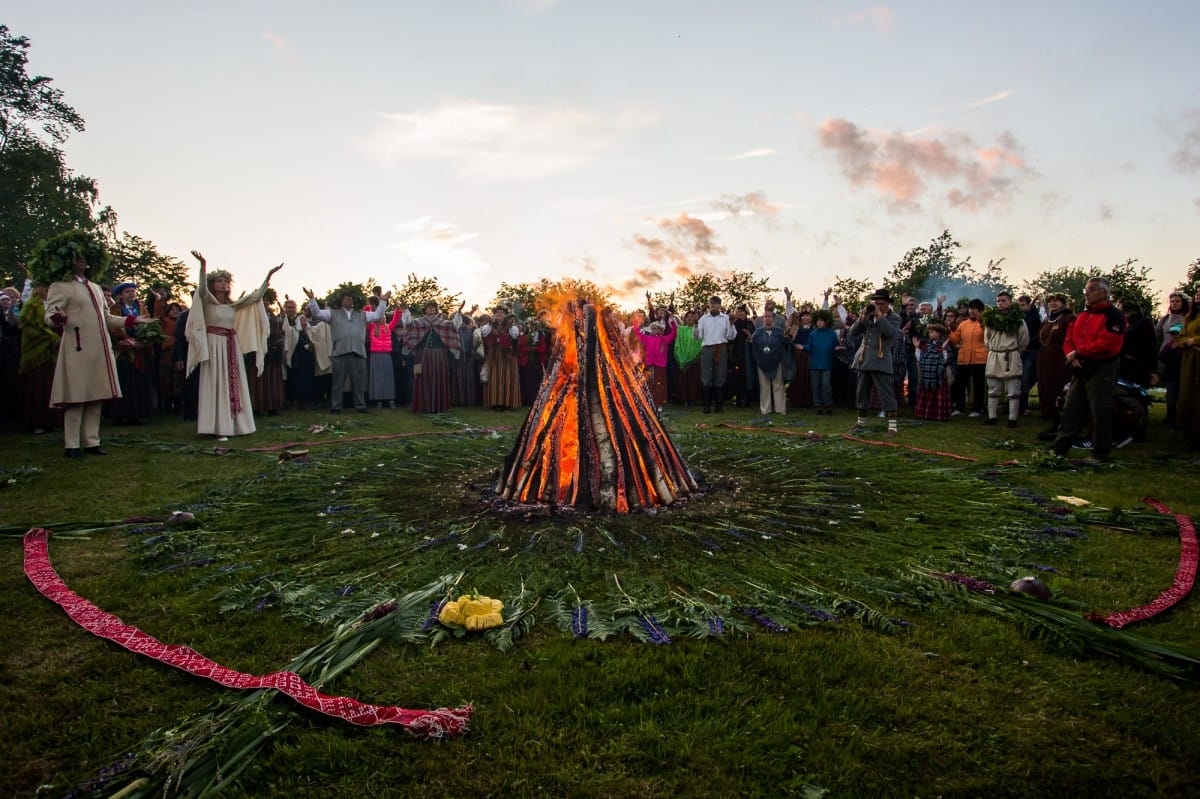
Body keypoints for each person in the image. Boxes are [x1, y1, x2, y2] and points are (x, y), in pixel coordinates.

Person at [42, 247, 153, 457]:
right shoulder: (61, 286)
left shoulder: (95, 287)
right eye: (78, 257)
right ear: (69, 260)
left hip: (99, 347)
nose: (83, 260)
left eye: (85, 257)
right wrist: (58, 318)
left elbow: (108, 318)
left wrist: (134, 319)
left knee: (96, 396)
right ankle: (72, 444)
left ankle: (92, 441)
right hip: (77, 346)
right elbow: (49, 315)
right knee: (77, 396)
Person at [186, 250, 282, 437]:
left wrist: (268, 276)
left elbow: (255, 297)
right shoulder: (208, 302)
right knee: (216, 382)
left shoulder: (233, 305)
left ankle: (236, 425)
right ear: (213, 284)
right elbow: (202, 289)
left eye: (225, 281)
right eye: (219, 281)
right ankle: (214, 426)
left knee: (234, 382)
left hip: (231, 345)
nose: (223, 284)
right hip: (214, 345)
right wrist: (203, 266)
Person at [1051, 278, 1127, 462]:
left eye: (1091, 290)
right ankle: (1059, 449)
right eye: (1086, 290)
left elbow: (1109, 342)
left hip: (1101, 367)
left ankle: (1099, 453)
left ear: (1103, 292)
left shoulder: (1114, 315)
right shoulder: (1083, 316)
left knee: (1100, 410)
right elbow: (1070, 337)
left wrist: (1080, 352)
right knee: (1071, 409)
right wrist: (1072, 354)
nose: (1086, 293)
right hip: (1079, 367)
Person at [304, 287, 388, 414]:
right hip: (340, 352)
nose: (348, 301)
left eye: (350, 299)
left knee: (359, 383)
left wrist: (382, 301)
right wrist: (312, 299)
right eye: (346, 299)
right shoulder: (332, 313)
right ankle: (336, 407)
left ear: (354, 301)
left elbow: (377, 315)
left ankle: (360, 406)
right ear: (341, 300)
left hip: (358, 353)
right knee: (338, 383)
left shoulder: (362, 314)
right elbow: (317, 314)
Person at [849, 289, 901, 435]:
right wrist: (863, 316)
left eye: (881, 304)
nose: (877, 306)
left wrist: (879, 316)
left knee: (886, 393)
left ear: (888, 304)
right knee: (861, 392)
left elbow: (890, 333)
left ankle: (892, 426)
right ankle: (860, 422)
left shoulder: (894, 317)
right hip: (864, 358)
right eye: (875, 303)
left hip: (881, 359)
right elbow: (853, 332)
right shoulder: (868, 317)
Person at [402, 300, 463, 413]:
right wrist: (405, 310)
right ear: (424, 309)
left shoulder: (442, 323)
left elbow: (455, 326)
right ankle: (423, 405)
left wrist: (458, 313)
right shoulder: (418, 322)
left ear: (436, 309)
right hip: (423, 354)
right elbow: (408, 324)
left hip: (439, 354)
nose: (430, 309)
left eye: (433, 307)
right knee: (423, 378)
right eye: (428, 307)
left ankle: (439, 406)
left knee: (439, 377)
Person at [982, 291, 1029, 427]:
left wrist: (1014, 351)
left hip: (1011, 355)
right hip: (994, 355)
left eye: (1003, 300)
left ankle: (1012, 419)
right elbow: (987, 339)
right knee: (993, 388)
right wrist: (995, 350)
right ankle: (992, 418)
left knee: (1013, 390)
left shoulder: (1018, 320)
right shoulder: (991, 319)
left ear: (1010, 302)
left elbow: (1024, 339)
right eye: (998, 301)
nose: (1000, 303)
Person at [1035, 294, 1074, 438]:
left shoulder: (1069, 318)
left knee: (1060, 388)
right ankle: (1053, 421)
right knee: (1046, 388)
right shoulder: (1047, 320)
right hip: (1045, 358)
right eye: (1050, 301)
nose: (1053, 303)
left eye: (1056, 301)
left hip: (1060, 358)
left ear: (1063, 303)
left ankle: (1065, 424)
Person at [693, 296, 736, 413]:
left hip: (721, 348)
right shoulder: (703, 319)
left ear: (720, 305)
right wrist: (696, 325)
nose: (713, 305)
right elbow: (697, 337)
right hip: (707, 348)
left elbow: (731, 336)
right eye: (711, 303)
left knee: (720, 376)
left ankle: (719, 405)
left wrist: (732, 324)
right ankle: (706, 405)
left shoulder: (726, 318)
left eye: (715, 303)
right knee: (706, 376)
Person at [949, 299, 987, 417]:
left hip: (979, 358)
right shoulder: (963, 324)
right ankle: (960, 407)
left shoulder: (985, 324)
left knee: (978, 385)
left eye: (974, 309)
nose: (971, 311)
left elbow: (988, 337)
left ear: (980, 311)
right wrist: (948, 331)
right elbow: (956, 339)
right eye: (970, 308)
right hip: (964, 358)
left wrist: (983, 324)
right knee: (961, 383)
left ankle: (977, 408)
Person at [1156, 292, 1189, 427]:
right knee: (1170, 388)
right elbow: (1158, 337)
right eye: (1172, 301)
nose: (1174, 304)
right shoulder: (1165, 319)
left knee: (1180, 388)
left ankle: (1181, 417)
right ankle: (1170, 415)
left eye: (1177, 301)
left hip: (1181, 356)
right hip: (1166, 356)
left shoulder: (1187, 318)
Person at [1173, 287, 1200, 449]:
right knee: (1187, 393)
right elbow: (1181, 336)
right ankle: (1190, 433)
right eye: (1196, 293)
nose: (1197, 295)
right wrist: (1186, 342)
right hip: (1189, 359)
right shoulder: (1190, 316)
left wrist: (1194, 341)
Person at [749, 309, 790, 415]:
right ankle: (765, 410)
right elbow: (753, 346)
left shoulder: (780, 331)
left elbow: (785, 345)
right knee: (764, 386)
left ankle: (780, 409)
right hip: (762, 362)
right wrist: (750, 341)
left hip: (777, 362)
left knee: (778, 385)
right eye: (765, 317)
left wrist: (787, 338)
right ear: (763, 319)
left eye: (769, 317)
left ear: (773, 318)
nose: (767, 319)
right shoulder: (757, 332)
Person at [480, 307, 522, 410]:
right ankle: (495, 403)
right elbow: (484, 333)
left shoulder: (511, 325)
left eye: (502, 312)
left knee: (507, 378)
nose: (499, 314)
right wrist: (491, 324)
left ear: (505, 314)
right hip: (494, 354)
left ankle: (507, 403)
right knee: (494, 377)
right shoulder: (489, 325)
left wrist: (509, 327)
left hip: (507, 355)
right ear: (494, 314)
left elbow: (515, 336)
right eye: (497, 312)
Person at [366, 297, 403, 408]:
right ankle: (378, 400)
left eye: (383, 317)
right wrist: (372, 304)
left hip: (386, 355)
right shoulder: (371, 326)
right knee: (377, 378)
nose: (382, 319)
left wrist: (398, 308)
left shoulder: (389, 327)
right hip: (375, 355)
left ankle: (390, 399)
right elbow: (367, 312)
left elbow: (397, 317)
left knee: (388, 378)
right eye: (380, 317)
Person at [914, 322, 953, 421]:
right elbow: (920, 359)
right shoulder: (927, 345)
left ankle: (938, 415)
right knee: (927, 394)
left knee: (937, 394)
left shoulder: (944, 345)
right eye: (929, 332)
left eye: (932, 332)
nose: (929, 334)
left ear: (938, 333)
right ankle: (926, 414)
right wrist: (917, 348)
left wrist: (943, 350)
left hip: (938, 377)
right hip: (927, 376)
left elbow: (945, 360)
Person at [804, 309, 838, 415]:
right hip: (814, 363)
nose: (819, 323)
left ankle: (828, 404)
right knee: (815, 385)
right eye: (818, 321)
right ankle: (818, 405)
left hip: (826, 363)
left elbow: (834, 346)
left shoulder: (832, 334)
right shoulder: (813, 334)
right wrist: (803, 347)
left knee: (826, 385)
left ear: (826, 321)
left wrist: (837, 348)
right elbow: (809, 347)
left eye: (821, 321)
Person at [1017, 294, 1043, 415]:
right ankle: (1018, 405)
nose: (1021, 308)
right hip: (1021, 351)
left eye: (1023, 305)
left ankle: (1023, 407)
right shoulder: (1019, 317)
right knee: (1019, 379)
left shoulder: (1034, 316)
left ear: (1028, 305)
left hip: (1032, 351)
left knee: (1027, 379)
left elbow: (1038, 319)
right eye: (1019, 305)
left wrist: (1034, 303)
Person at [672, 309, 703, 407]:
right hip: (683, 358)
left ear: (695, 318)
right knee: (683, 380)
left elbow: (699, 341)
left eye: (691, 316)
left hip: (694, 357)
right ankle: (683, 399)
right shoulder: (681, 329)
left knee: (693, 379)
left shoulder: (698, 328)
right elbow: (673, 323)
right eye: (687, 317)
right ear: (684, 319)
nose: (689, 318)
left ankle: (692, 399)